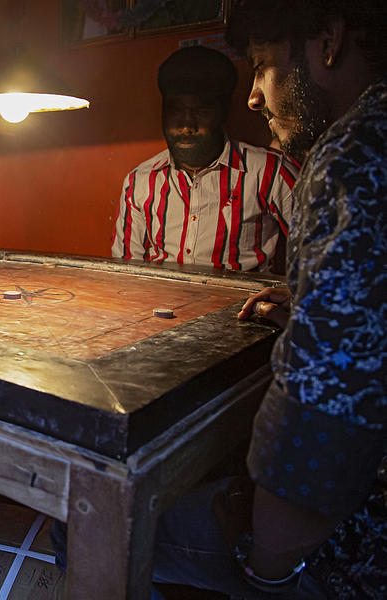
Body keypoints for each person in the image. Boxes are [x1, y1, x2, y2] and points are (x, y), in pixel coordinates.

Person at [151, 1, 386, 598]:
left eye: (262, 66)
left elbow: (325, 412)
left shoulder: (352, 153)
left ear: (328, 41)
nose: (255, 96)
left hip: (358, 546)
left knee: (96, 529)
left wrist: (269, 564)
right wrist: (314, 306)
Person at [111, 46, 299, 273]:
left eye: (200, 111)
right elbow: (125, 272)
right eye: (175, 111)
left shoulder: (268, 172)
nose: (186, 125)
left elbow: (323, 252)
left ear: (223, 112)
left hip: (240, 306)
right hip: (157, 305)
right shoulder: (140, 180)